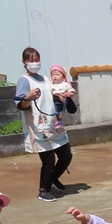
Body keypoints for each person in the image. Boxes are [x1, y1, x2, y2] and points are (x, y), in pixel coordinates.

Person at [15, 47, 73, 202]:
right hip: (39, 127)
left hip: (54, 124)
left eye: (36, 60)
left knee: (66, 155)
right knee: (48, 161)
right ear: (24, 62)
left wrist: (60, 98)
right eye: (31, 60)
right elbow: (21, 105)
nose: (34, 63)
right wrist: (28, 97)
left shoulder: (45, 79)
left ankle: (52, 179)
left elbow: (50, 96)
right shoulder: (24, 80)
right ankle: (43, 190)